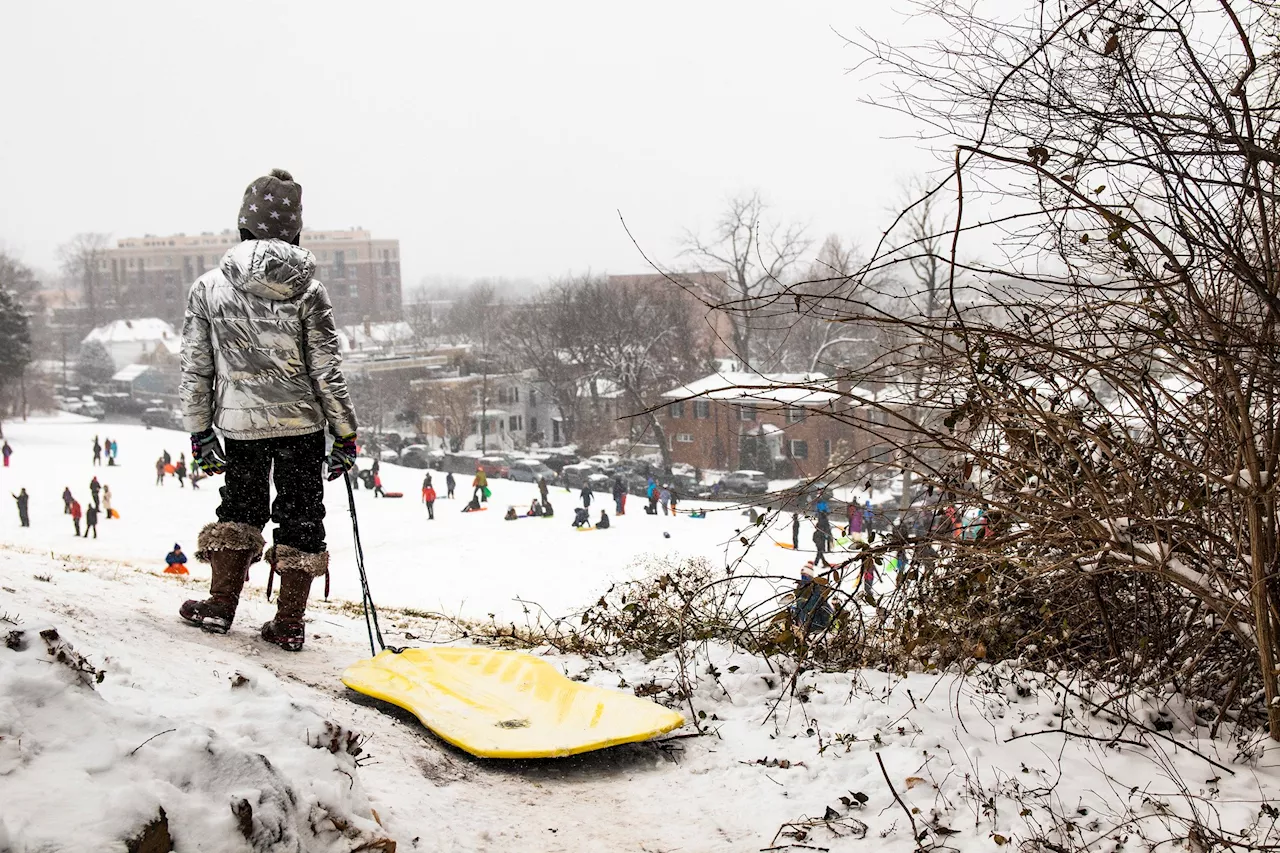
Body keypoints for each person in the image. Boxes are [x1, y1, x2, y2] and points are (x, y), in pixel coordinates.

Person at [178, 168, 359, 652]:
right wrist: (344, 434)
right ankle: (290, 624)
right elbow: (328, 373)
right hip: (302, 427)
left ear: (243, 227)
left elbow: (196, 370)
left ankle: (220, 606)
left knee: (239, 509)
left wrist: (198, 432)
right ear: (296, 231)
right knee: (302, 516)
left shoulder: (208, 288)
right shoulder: (310, 291)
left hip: (238, 427)